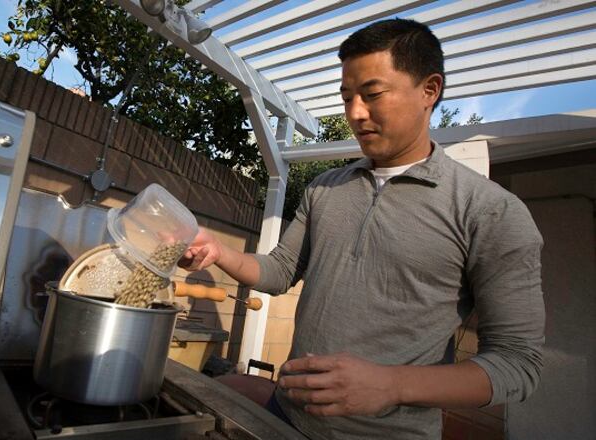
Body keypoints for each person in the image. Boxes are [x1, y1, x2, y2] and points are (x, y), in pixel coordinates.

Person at [179, 18, 545, 439]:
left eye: (372, 94)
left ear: (430, 90)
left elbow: (518, 363)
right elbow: (280, 270)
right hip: (288, 417)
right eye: (347, 96)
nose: (355, 113)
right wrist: (218, 251)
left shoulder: (489, 210)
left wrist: (392, 384)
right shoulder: (326, 187)